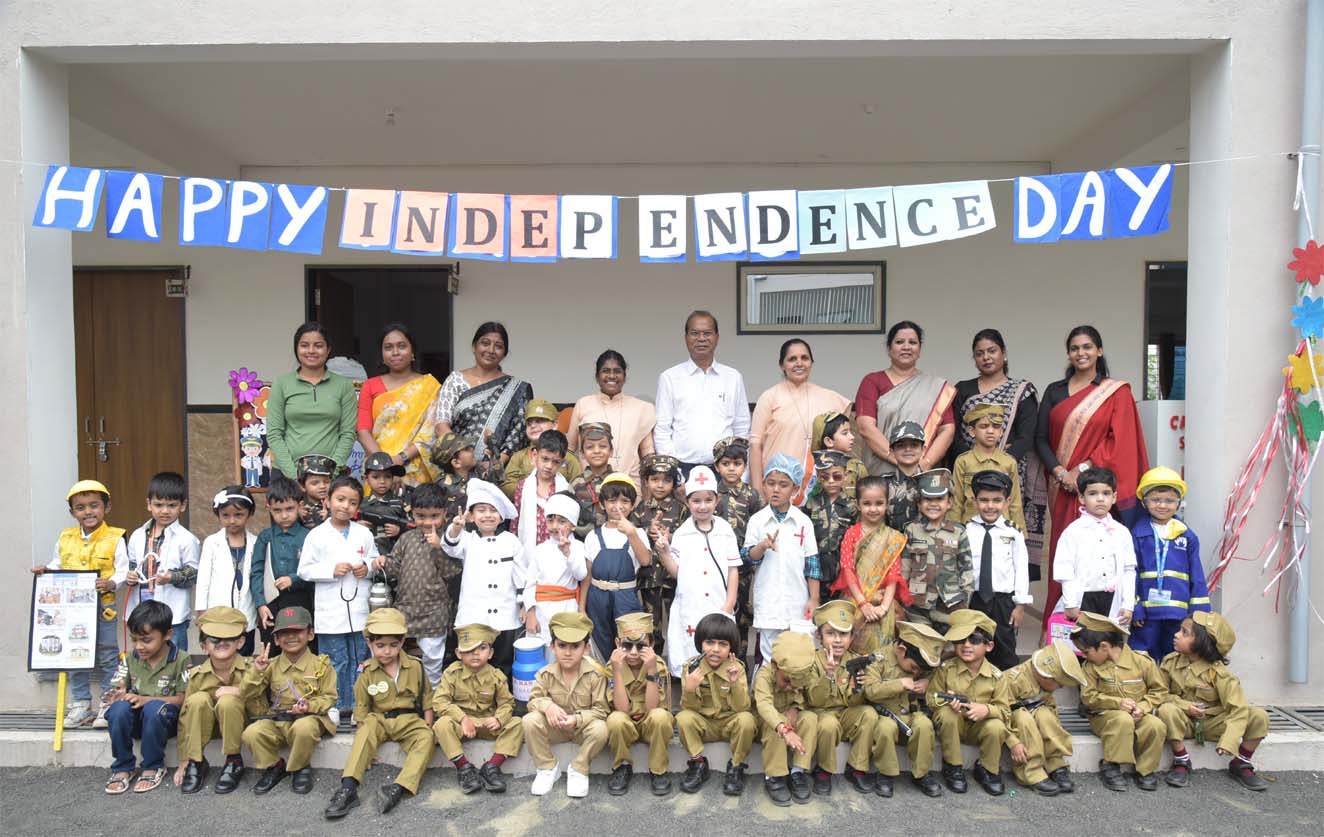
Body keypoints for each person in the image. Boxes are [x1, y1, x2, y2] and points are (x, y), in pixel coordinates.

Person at [1037, 325, 1149, 617]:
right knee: (1065, 557)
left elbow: (1120, 442)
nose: (1081, 353)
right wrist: (1061, 473)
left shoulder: (1115, 393)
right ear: (1068, 354)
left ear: (1099, 351)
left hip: (1095, 489)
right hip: (1063, 489)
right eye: (1075, 348)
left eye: (1087, 347)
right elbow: (1040, 439)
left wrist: (1082, 470)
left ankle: (1101, 626)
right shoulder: (1054, 391)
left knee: (1099, 559)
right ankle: (1059, 626)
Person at [324, 608, 436, 819]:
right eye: (380, 645)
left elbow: (427, 700)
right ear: (369, 643)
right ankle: (348, 788)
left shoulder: (416, 666)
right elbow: (362, 708)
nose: (387, 651)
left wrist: (428, 727)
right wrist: (365, 748)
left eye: (393, 645)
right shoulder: (366, 671)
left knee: (427, 737)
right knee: (366, 728)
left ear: (402, 642)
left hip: (408, 720)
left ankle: (398, 787)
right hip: (379, 719)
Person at [32, 479, 127, 727]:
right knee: (75, 653)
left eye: (94, 505)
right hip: (72, 609)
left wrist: (112, 583)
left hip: (104, 608)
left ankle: (108, 703)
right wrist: (46, 571)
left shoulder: (115, 537)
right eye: (81, 507)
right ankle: (81, 704)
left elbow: (122, 571)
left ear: (106, 507)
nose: (88, 512)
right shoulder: (65, 537)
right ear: (72, 512)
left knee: (108, 654)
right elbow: (57, 564)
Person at [951, 329, 1044, 571]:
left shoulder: (1021, 391)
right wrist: (975, 459)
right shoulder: (962, 389)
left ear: (1003, 353)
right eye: (979, 353)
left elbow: (1026, 435)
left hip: (1009, 470)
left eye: (992, 351)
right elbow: (955, 433)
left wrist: (998, 461)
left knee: (1005, 537)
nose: (986, 357)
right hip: (970, 469)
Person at [1156, 612, 1269, 791]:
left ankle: (1241, 762)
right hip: (1184, 723)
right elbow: (1159, 693)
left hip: (1213, 724)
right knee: (1167, 710)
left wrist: (1229, 741)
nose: (1176, 635)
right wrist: (1185, 706)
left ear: (1202, 642)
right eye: (1179, 630)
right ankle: (1181, 760)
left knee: (1258, 716)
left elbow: (1237, 709)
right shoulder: (1170, 663)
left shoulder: (1220, 674)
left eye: (1184, 633)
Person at [298, 475, 377, 714]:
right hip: (331, 610)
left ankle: (358, 706)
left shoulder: (363, 533)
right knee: (334, 661)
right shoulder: (316, 535)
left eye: (352, 503)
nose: (345, 506)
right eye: (340, 499)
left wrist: (367, 567)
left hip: (358, 608)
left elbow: (374, 560)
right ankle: (333, 705)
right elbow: (304, 570)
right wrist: (330, 570)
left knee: (359, 659)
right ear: (327, 501)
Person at [241, 606, 337, 795]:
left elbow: (330, 697)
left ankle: (300, 767)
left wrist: (309, 706)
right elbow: (247, 693)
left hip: (309, 718)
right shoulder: (271, 665)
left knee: (303, 728)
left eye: (297, 631)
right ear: (276, 639)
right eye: (284, 633)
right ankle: (274, 766)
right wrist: (257, 671)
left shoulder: (321, 665)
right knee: (252, 733)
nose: (291, 637)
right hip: (279, 719)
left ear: (310, 634)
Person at [374, 483, 463, 686]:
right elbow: (395, 568)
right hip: (405, 609)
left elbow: (452, 572)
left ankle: (432, 697)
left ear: (445, 513)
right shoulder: (406, 539)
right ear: (412, 513)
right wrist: (383, 562)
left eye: (434, 516)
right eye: (421, 516)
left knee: (432, 660)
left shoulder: (450, 540)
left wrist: (438, 548)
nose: (427, 522)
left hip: (435, 613)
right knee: (401, 659)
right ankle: (405, 695)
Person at [175, 606, 268, 794]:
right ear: (203, 646)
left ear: (240, 642)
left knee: (228, 700)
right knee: (197, 699)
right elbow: (186, 719)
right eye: (214, 639)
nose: (222, 643)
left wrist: (238, 691)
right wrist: (185, 758)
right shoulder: (197, 676)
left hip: (243, 728)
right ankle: (197, 761)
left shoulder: (254, 668)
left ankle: (233, 760)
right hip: (210, 729)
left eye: (229, 638)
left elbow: (260, 708)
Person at [658, 466, 740, 676]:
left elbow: (733, 569)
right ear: (687, 502)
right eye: (696, 501)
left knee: (719, 654)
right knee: (690, 657)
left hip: (718, 604)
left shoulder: (725, 530)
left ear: (717, 500)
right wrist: (664, 553)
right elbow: (676, 572)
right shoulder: (682, 533)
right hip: (690, 606)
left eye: (708, 500)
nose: (702, 506)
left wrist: (729, 604)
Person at [1073, 611, 1168, 792]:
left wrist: (1143, 707)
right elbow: (1088, 698)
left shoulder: (1142, 662)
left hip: (1138, 716)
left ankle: (1146, 770)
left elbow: (1159, 690)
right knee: (1122, 719)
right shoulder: (1090, 667)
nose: (1084, 656)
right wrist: (1117, 703)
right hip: (1104, 718)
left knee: (1155, 725)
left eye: (1086, 652)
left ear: (1104, 646)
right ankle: (1111, 764)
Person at [749, 338, 852, 503]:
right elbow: (755, 445)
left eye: (804, 358)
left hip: (818, 490)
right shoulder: (769, 397)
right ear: (782, 365)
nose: (799, 363)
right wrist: (758, 492)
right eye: (792, 359)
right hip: (777, 488)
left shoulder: (830, 398)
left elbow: (842, 442)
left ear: (811, 362)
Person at [101, 600, 188, 795]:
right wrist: (116, 696)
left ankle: (153, 766)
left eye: (146, 640)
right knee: (118, 709)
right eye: (134, 640)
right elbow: (116, 688)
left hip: (163, 723)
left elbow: (183, 700)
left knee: (154, 708)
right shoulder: (130, 658)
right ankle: (123, 767)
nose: (139, 646)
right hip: (135, 722)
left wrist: (145, 700)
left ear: (167, 635)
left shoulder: (181, 659)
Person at [442, 480, 526, 678]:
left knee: (503, 662)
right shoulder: (467, 539)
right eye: (481, 510)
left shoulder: (511, 541)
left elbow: (521, 575)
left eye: (493, 510)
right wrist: (456, 528)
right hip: (474, 615)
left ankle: (502, 695)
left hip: (505, 614)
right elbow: (450, 545)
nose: (488, 515)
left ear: (501, 516)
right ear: (472, 515)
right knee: (473, 662)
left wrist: (523, 604)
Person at [523, 612, 610, 798]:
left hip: (581, 730)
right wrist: (547, 706)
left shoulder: (595, 675)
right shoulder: (545, 674)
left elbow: (601, 711)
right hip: (555, 728)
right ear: (552, 647)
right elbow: (533, 702)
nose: (568, 653)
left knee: (601, 729)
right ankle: (547, 768)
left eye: (575, 646)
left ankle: (579, 769)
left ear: (586, 648)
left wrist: (577, 719)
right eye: (562, 645)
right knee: (530, 720)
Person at [744, 454, 820, 666]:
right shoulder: (757, 521)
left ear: (795, 489)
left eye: (783, 485)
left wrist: (814, 599)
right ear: (764, 485)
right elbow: (748, 558)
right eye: (771, 483)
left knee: (797, 653)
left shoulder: (803, 522)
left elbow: (812, 564)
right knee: (769, 656)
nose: (776, 489)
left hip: (797, 599)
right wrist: (762, 546)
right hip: (768, 599)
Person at [854, 321, 957, 477]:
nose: (906, 347)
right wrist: (897, 460)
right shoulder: (872, 381)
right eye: (899, 342)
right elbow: (865, 427)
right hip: (881, 473)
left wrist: (925, 463)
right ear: (889, 348)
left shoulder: (935, 387)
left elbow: (947, 430)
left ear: (919, 349)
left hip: (922, 473)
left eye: (913, 342)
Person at [654, 310, 751, 472]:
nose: (701, 338)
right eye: (695, 333)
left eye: (707, 333)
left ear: (717, 337)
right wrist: (674, 473)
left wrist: (740, 472)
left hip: (725, 469)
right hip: (682, 468)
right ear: (686, 338)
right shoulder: (669, 378)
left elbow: (742, 427)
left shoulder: (733, 377)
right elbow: (662, 430)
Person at [432, 623, 523, 794]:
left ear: (491, 653)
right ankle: (464, 768)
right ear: (458, 653)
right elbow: (440, 701)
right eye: (468, 650)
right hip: (462, 726)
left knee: (517, 723)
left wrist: (498, 719)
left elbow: (507, 703)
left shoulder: (496, 676)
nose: (475, 654)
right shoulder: (451, 674)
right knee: (442, 724)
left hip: (487, 724)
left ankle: (492, 767)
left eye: (482, 648)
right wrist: (462, 718)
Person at [927, 609, 1010, 796]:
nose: (966, 645)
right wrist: (946, 703)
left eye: (974, 640)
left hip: (978, 729)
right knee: (948, 714)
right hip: (952, 728)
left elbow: (1005, 711)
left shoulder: (997, 677)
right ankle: (953, 766)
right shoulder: (946, 669)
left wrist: (986, 710)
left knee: (996, 726)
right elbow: (931, 698)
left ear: (989, 646)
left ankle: (988, 769)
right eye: (960, 640)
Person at [1131, 467, 1211, 658]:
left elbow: (1197, 576)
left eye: (1169, 500)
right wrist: (1135, 606)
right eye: (1155, 500)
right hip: (1146, 615)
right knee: (1142, 658)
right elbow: (1130, 573)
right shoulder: (1136, 534)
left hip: (1178, 615)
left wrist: (1199, 614)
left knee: (1176, 658)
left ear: (1179, 503)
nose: (1162, 505)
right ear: (1144, 502)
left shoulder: (1187, 536)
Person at [861, 621, 946, 798]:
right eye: (913, 667)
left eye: (919, 670)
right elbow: (869, 690)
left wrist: (927, 684)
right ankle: (886, 774)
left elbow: (936, 678)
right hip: (885, 714)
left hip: (911, 715)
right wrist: (899, 684)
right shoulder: (877, 660)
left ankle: (922, 774)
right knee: (885, 728)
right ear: (901, 650)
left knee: (924, 724)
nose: (916, 672)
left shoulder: (920, 663)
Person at [675, 613, 756, 796]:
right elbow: (689, 709)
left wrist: (735, 683)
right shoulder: (691, 667)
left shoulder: (737, 668)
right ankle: (698, 763)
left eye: (723, 644)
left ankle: (736, 766)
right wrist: (689, 689)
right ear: (700, 643)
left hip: (729, 723)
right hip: (705, 724)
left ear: (731, 648)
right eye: (710, 642)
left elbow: (743, 708)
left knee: (747, 719)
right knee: (683, 718)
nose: (716, 649)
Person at [434, 322, 533, 469]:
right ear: (474, 346)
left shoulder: (517, 388)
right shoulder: (455, 380)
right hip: (457, 467)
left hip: (498, 470)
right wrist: (463, 458)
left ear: (504, 353)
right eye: (485, 343)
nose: (491, 350)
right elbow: (441, 425)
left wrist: (495, 464)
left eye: (498, 346)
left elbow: (518, 434)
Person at [266, 322, 358, 479]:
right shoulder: (281, 384)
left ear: (328, 350)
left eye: (318, 345)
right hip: (286, 475)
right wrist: (295, 476)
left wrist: (330, 472)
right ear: (296, 349)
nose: (311, 351)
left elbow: (348, 434)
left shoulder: (344, 385)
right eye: (304, 345)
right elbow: (274, 434)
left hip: (331, 476)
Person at [356, 323, 442, 487]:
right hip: (377, 472)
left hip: (416, 470)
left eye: (401, 346)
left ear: (412, 351)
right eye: (388, 347)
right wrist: (385, 466)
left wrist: (401, 458)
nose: (395, 352)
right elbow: (363, 431)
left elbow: (431, 432)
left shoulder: (430, 386)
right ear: (382, 354)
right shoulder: (370, 386)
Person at [807, 600, 879, 795]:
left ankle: (857, 768)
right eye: (831, 633)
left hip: (845, 714)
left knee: (868, 713)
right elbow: (814, 701)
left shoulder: (855, 661)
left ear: (851, 637)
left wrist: (856, 690)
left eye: (844, 634)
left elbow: (853, 703)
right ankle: (823, 771)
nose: (838, 640)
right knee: (828, 724)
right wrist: (827, 675)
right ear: (819, 636)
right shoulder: (812, 660)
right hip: (821, 714)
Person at [124, 471, 199, 654]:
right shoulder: (137, 535)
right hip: (142, 607)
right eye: (158, 505)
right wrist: (130, 575)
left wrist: (172, 577)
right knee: (143, 651)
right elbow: (132, 563)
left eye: (172, 505)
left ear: (183, 505)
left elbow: (194, 573)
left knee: (174, 654)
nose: (165, 511)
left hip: (172, 611)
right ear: (148, 504)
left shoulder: (187, 539)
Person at [832, 475, 908, 654]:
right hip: (854, 601)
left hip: (882, 604)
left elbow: (893, 575)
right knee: (851, 652)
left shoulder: (893, 537)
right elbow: (848, 570)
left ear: (887, 504)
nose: (873, 509)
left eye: (879, 503)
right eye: (867, 504)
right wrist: (863, 604)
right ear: (858, 505)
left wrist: (884, 607)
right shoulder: (851, 534)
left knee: (882, 654)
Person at [965, 470, 1031, 671]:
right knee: (973, 647)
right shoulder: (965, 530)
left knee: (1005, 649)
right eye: (984, 500)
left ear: (1007, 501)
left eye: (997, 500)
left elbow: (1021, 569)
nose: (990, 506)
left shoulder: (1013, 532)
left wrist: (1020, 605)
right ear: (974, 500)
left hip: (1003, 603)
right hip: (974, 599)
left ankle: (1006, 688)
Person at [1053, 466, 1138, 624]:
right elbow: (1064, 570)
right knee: (1082, 638)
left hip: (1113, 600)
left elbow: (1128, 570)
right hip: (1083, 599)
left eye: (1106, 493)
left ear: (1114, 497)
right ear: (1081, 497)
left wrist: (1128, 605)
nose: (1100, 499)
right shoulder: (1073, 532)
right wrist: (1070, 603)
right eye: (1092, 493)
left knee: (1110, 638)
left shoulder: (1122, 532)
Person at [1001, 639, 1086, 796]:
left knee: (1046, 715)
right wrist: (1013, 742)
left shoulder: (1044, 683)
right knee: (1023, 718)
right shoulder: (1014, 680)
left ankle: (1055, 763)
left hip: (1033, 711)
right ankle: (1031, 771)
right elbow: (1001, 714)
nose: (1061, 687)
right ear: (1046, 677)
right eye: (1059, 684)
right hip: (1013, 719)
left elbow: (1048, 704)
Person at [583, 474, 653, 660]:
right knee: (601, 640)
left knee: (628, 641)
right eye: (612, 501)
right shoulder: (593, 536)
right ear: (602, 504)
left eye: (624, 501)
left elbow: (645, 560)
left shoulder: (637, 533)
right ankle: (605, 675)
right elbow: (588, 574)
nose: (618, 506)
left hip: (626, 596)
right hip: (597, 596)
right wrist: (582, 607)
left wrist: (631, 533)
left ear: (632, 505)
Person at [605, 612, 674, 796]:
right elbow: (622, 709)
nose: (634, 652)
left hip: (650, 724)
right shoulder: (612, 666)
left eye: (641, 646)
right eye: (627, 646)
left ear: (651, 645)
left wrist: (651, 669)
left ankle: (658, 770)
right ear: (617, 644)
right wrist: (617, 672)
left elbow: (652, 707)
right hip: (626, 724)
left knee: (660, 717)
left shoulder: (657, 665)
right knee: (615, 719)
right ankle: (622, 766)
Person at [899, 470, 973, 630]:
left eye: (939, 499)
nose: (933, 504)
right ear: (919, 503)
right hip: (917, 605)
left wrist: (965, 600)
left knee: (948, 642)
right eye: (927, 499)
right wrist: (903, 597)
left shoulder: (958, 532)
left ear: (949, 503)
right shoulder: (911, 530)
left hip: (950, 603)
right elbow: (904, 568)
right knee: (920, 642)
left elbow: (966, 569)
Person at [566, 350, 656, 481]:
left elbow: (647, 453)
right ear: (597, 376)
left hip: (629, 485)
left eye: (617, 371)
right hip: (589, 486)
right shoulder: (583, 404)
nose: (612, 376)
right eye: (606, 371)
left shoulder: (642, 408)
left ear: (624, 376)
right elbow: (570, 450)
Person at [753, 630, 821, 806]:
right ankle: (774, 776)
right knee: (773, 724)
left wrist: (797, 708)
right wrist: (784, 727)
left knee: (810, 718)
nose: (791, 687)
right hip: (768, 723)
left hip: (790, 717)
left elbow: (807, 698)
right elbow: (764, 706)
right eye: (787, 680)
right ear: (775, 665)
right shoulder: (764, 676)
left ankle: (797, 772)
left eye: (796, 682)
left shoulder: (804, 674)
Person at [711, 436, 763, 659]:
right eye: (726, 463)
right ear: (717, 466)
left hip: (743, 567)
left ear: (745, 465)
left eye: (737, 463)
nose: (731, 468)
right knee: (717, 611)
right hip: (716, 565)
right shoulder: (711, 494)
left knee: (741, 614)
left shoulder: (751, 495)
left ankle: (739, 660)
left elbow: (758, 526)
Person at [631, 452, 687, 652]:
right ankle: (652, 662)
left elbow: (688, 539)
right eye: (655, 479)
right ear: (646, 482)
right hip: (649, 578)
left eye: (666, 480)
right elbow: (632, 537)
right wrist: (648, 531)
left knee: (677, 623)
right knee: (651, 626)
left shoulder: (681, 509)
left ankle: (677, 663)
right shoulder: (640, 509)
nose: (660, 485)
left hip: (673, 578)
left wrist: (670, 537)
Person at [523, 493, 588, 655]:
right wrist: (530, 613)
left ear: (573, 525)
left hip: (566, 609)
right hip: (540, 612)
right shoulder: (539, 550)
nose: (554, 526)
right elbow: (530, 584)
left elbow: (581, 574)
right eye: (550, 520)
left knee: (564, 652)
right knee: (540, 655)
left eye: (561, 521)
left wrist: (567, 553)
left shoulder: (578, 547)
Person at [251, 477, 313, 648]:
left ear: (300, 506)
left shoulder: (309, 536)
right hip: (272, 601)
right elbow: (256, 571)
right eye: (277, 510)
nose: (284, 515)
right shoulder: (265, 537)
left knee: (302, 645)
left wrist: (293, 579)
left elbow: (315, 569)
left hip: (302, 599)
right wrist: (260, 604)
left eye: (289, 509)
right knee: (271, 647)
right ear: (268, 508)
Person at [196, 487, 258, 655]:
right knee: (219, 655)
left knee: (244, 656)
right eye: (225, 515)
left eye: (238, 515)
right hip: (217, 615)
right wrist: (201, 611)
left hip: (245, 614)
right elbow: (203, 580)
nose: (232, 521)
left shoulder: (256, 542)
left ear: (249, 513)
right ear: (218, 515)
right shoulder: (212, 543)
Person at [950, 405, 1025, 532]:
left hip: (1002, 530)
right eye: (984, 426)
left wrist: (1020, 534)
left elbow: (1015, 503)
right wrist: (953, 532)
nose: (990, 431)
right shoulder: (963, 461)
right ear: (972, 431)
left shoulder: (1009, 462)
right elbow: (956, 502)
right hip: (970, 529)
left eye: (996, 427)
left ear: (1001, 432)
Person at [801, 450, 858, 594]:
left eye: (837, 476)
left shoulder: (852, 506)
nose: (831, 481)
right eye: (825, 477)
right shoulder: (811, 503)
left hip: (841, 567)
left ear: (845, 475)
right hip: (815, 566)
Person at [501, 399, 584, 498]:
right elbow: (506, 487)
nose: (533, 426)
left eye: (539, 421)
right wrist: (532, 487)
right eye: (529, 423)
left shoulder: (568, 458)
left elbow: (579, 489)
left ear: (555, 425)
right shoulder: (518, 457)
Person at [512, 429, 572, 560]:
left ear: (562, 462)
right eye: (545, 459)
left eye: (555, 461)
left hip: (556, 555)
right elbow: (515, 523)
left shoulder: (566, 489)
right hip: (528, 554)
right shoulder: (523, 486)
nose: (549, 466)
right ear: (535, 455)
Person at [358, 451, 411, 557]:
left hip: (393, 557)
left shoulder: (401, 503)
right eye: (376, 477)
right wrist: (356, 526)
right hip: (364, 557)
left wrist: (400, 530)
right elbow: (342, 525)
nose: (382, 481)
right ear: (366, 479)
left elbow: (415, 527)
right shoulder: (360, 504)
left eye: (387, 476)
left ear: (393, 478)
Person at [567, 422, 614, 539]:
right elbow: (569, 516)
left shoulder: (618, 480)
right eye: (589, 447)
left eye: (602, 446)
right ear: (582, 453)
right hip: (582, 542)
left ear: (611, 451)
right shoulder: (576, 484)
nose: (596, 451)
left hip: (614, 541)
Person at [811, 411, 869, 500]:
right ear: (829, 441)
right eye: (845, 433)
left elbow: (866, 496)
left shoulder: (857, 466)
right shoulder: (812, 468)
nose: (852, 437)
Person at [882, 422, 926, 531]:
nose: (908, 449)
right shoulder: (882, 484)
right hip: (890, 540)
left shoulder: (932, 482)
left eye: (914, 445)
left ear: (923, 449)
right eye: (901, 445)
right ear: (892, 451)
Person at [296, 453, 335, 528]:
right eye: (315, 483)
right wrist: (297, 516)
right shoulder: (298, 506)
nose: (322, 486)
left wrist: (329, 517)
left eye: (326, 482)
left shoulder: (335, 504)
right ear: (302, 486)